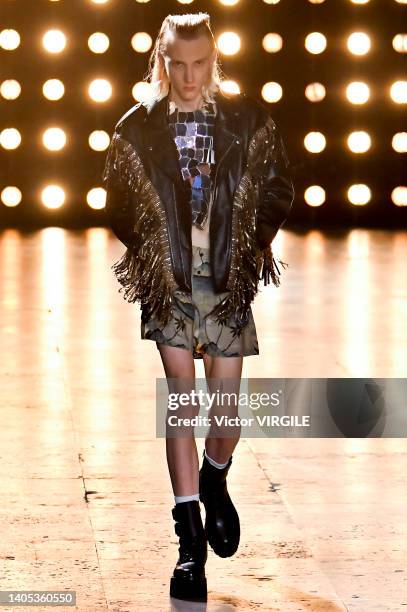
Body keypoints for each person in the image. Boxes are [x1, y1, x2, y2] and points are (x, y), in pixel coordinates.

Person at [102, 12, 294, 603]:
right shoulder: (137, 129)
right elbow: (117, 203)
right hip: (173, 281)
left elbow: (279, 187)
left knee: (228, 412)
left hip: (228, 281)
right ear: (162, 62)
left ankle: (215, 476)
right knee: (182, 401)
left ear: (214, 60)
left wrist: (247, 246)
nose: (188, 77)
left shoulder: (249, 121)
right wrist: (155, 251)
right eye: (177, 64)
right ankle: (189, 546)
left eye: (199, 64)